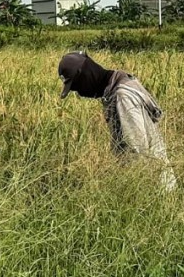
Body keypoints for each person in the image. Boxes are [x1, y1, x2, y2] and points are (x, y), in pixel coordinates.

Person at [58, 51, 176, 191]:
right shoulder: (118, 83)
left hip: (152, 186)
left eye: (77, 87)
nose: (80, 94)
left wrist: (127, 190)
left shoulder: (122, 97)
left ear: (85, 76)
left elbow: (137, 150)